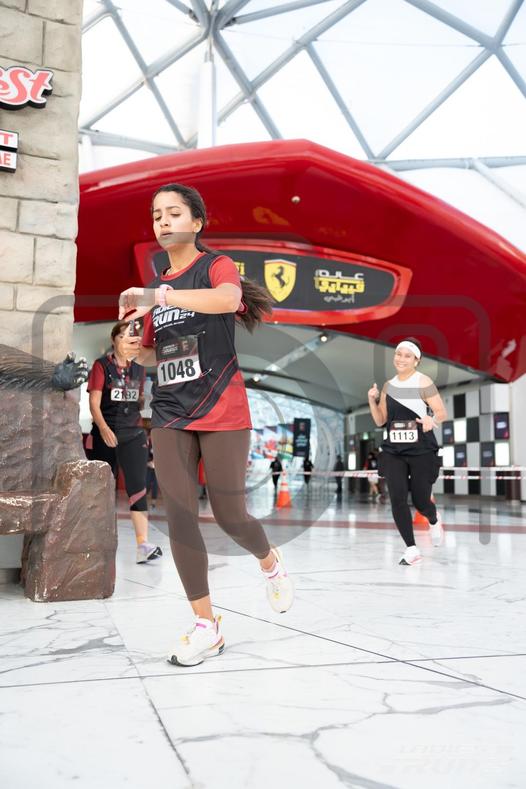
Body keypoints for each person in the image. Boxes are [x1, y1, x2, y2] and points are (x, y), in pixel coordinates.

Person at [117, 182, 295, 667]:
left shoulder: (214, 266)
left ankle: (269, 561)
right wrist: (134, 349)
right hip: (170, 411)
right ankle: (206, 625)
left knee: (230, 514)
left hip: (221, 407)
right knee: (178, 514)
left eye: (174, 212)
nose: (163, 221)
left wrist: (159, 295)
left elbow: (226, 301)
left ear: (196, 222)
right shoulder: (156, 289)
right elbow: (156, 354)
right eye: (157, 214)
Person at [87, 321, 162, 564]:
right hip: (105, 433)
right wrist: (104, 429)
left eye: (132, 337)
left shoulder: (139, 368)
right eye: (122, 336)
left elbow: (137, 399)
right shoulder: (101, 366)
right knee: (101, 490)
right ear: (114, 340)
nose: (127, 340)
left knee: (138, 487)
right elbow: (94, 403)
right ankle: (97, 543)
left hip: (134, 434)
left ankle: (143, 545)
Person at [367, 337, 447, 565]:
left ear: (416, 360)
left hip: (421, 450)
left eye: (407, 356)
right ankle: (411, 549)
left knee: (421, 501)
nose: (401, 359)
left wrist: (431, 420)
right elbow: (380, 420)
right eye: (398, 354)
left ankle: (433, 518)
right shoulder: (388, 386)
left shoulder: (423, 382)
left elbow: (441, 412)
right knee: (397, 499)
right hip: (394, 451)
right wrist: (372, 401)